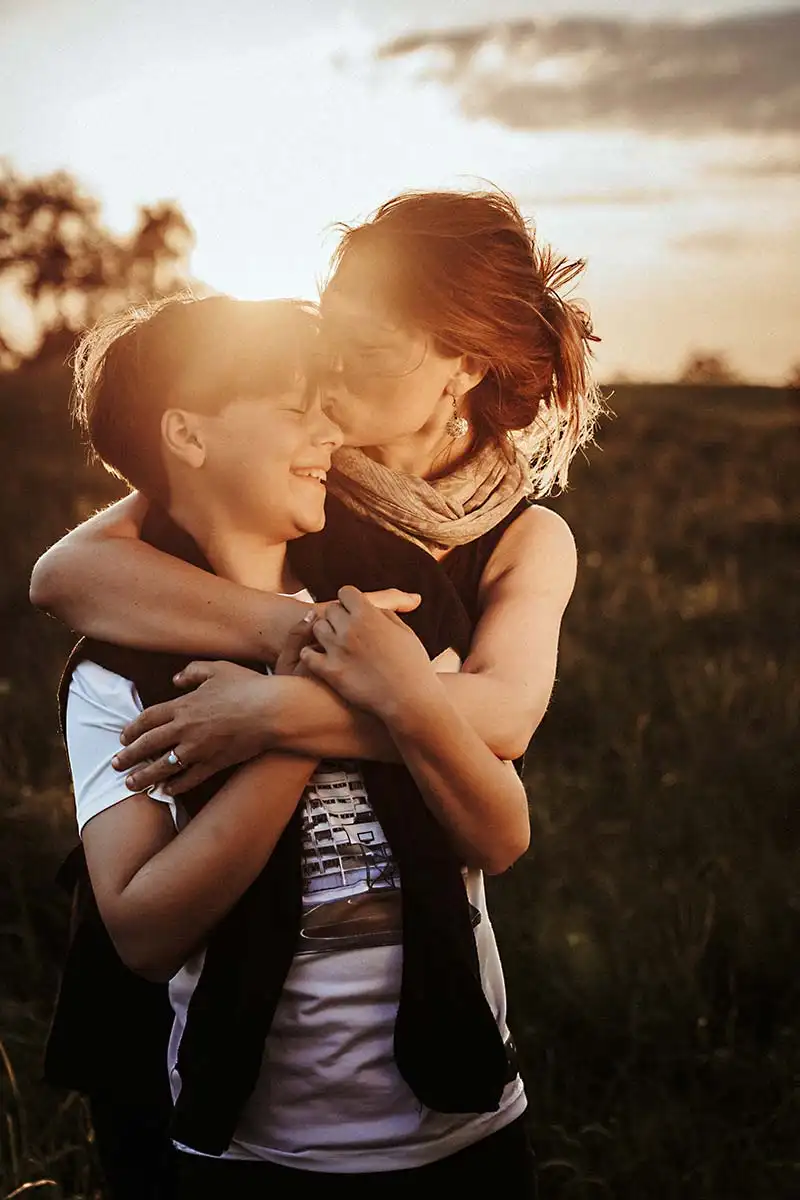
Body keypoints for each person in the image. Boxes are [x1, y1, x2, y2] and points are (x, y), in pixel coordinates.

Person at [53, 293, 536, 1196]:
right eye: (292, 408)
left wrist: (312, 705)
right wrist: (303, 707)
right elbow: (146, 932)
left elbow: (502, 834)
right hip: (257, 1152)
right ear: (187, 438)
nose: (329, 430)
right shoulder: (113, 674)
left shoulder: (396, 608)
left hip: (465, 1127)